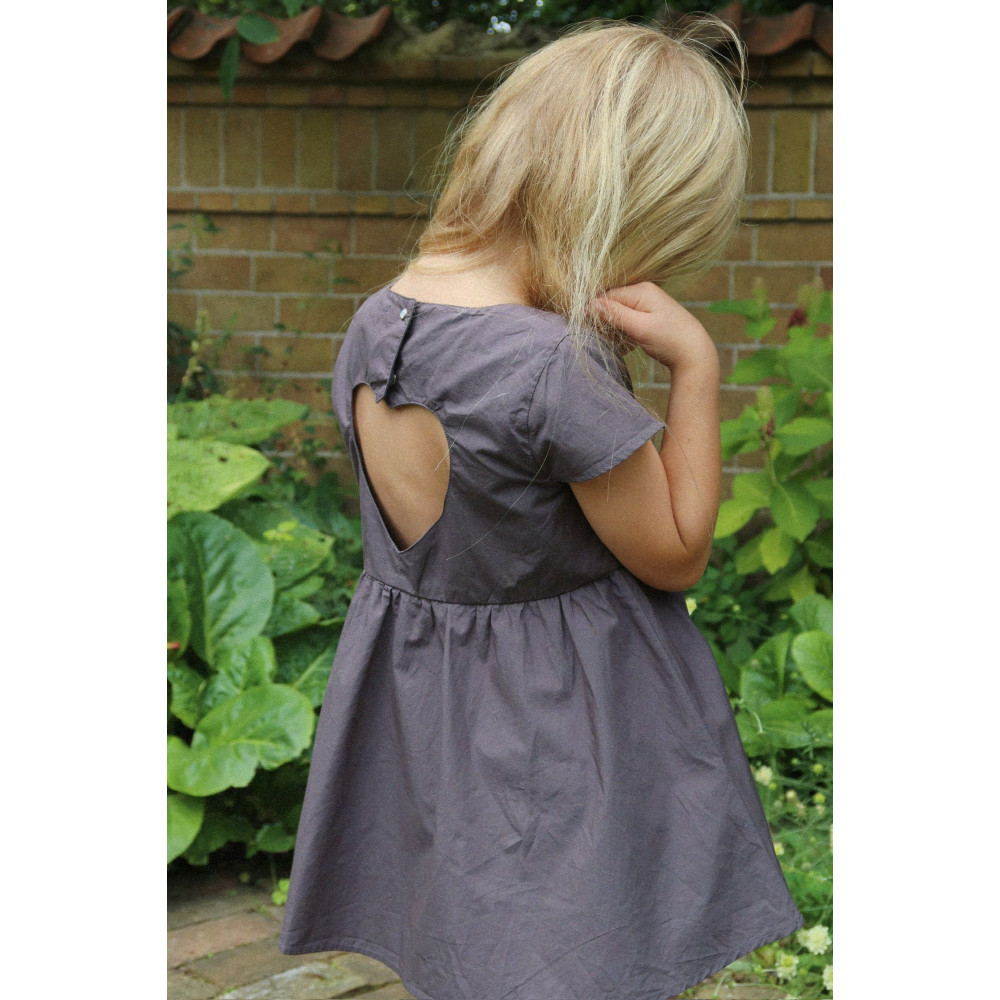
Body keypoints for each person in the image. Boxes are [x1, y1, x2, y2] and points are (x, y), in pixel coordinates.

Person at [279, 18, 803, 1000]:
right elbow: (676, 551)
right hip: (561, 725)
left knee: (474, 942)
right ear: (624, 201)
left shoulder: (377, 322)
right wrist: (694, 366)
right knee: (576, 952)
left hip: (439, 708)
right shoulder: (550, 366)